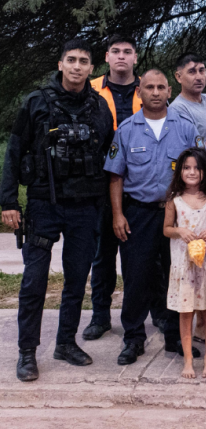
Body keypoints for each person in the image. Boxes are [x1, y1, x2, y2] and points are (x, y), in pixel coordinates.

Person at [1, 39, 114, 381]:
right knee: (34, 282)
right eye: (71, 60)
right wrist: (8, 202)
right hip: (43, 204)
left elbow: (111, 158)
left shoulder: (100, 107)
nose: (77, 66)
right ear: (61, 64)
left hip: (85, 206)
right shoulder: (36, 102)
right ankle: (26, 352)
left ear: (92, 69)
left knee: (77, 280)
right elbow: (14, 152)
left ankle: (65, 342)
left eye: (83, 61)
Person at [104, 68, 203, 365]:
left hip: (178, 214)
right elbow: (115, 177)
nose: (156, 92)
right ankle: (133, 338)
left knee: (177, 275)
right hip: (140, 213)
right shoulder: (126, 130)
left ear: (169, 91)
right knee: (137, 276)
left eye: (161, 87)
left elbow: (201, 169)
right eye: (150, 87)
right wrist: (118, 215)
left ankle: (175, 335)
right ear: (139, 92)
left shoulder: (185, 127)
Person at [84, 34, 144, 341]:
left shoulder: (148, 88)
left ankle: (154, 314)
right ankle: (100, 316)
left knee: (145, 257)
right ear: (107, 57)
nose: (122, 56)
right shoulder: (90, 88)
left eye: (128, 52)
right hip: (100, 182)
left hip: (139, 183)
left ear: (136, 57)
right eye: (116, 51)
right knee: (102, 254)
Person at [163, 148, 206, 379]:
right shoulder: (174, 200)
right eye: (187, 167)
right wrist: (179, 230)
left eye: (197, 167)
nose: (192, 172)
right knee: (186, 312)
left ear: (205, 171)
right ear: (180, 171)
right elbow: (166, 230)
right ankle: (188, 360)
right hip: (183, 265)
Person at [170, 53, 206, 193]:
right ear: (178, 77)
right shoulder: (177, 109)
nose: (198, 77)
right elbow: (198, 148)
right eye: (192, 71)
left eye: (202, 70)